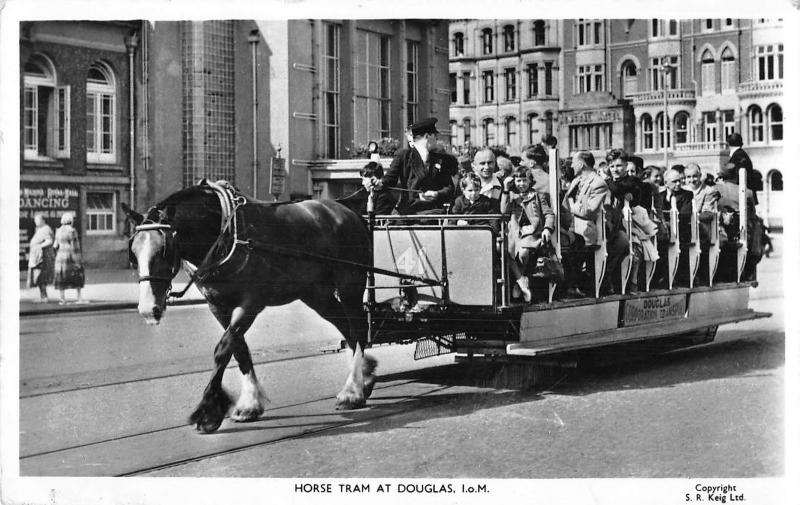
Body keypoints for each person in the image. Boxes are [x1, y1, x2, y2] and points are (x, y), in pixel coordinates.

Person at [372, 117, 456, 214]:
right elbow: (390, 179)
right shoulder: (403, 156)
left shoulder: (440, 159)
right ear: (427, 136)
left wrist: (436, 194)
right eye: (435, 135)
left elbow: (449, 188)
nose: (437, 139)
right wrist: (379, 183)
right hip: (408, 212)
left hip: (433, 212)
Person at [501, 166, 555, 303]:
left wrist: (547, 228)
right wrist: (506, 189)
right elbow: (503, 211)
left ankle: (520, 280)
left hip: (532, 232)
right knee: (507, 251)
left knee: (524, 252)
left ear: (530, 181)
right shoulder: (512, 196)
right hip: (515, 231)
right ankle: (521, 281)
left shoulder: (538, 196)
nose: (521, 184)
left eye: (524, 180)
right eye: (518, 181)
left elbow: (548, 214)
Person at [716, 162, 762, 282]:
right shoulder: (747, 192)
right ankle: (749, 270)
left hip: (722, 228)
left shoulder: (716, 189)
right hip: (741, 229)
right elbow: (752, 214)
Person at [53, 212, 86, 304]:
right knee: (77, 274)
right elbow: (75, 246)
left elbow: (55, 246)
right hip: (70, 254)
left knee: (61, 276)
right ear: (71, 221)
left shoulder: (58, 230)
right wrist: (78, 261)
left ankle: (62, 299)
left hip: (60, 255)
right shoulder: (72, 231)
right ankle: (79, 297)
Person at [27, 213, 55, 302]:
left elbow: (49, 241)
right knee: (38, 277)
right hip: (37, 257)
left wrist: (39, 246)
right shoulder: (39, 229)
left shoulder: (46, 229)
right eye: (35, 220)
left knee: (40, 277)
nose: (35, 221)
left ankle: (44, 297)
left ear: (43, 220)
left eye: (37, 220)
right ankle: (43, 297)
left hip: (42, 258)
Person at [727, 132, 760, 205]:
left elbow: (735, 175)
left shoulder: (738, 155)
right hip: (746, 194)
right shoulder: (741, 154)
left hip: (742, 196)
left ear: (729, 144)